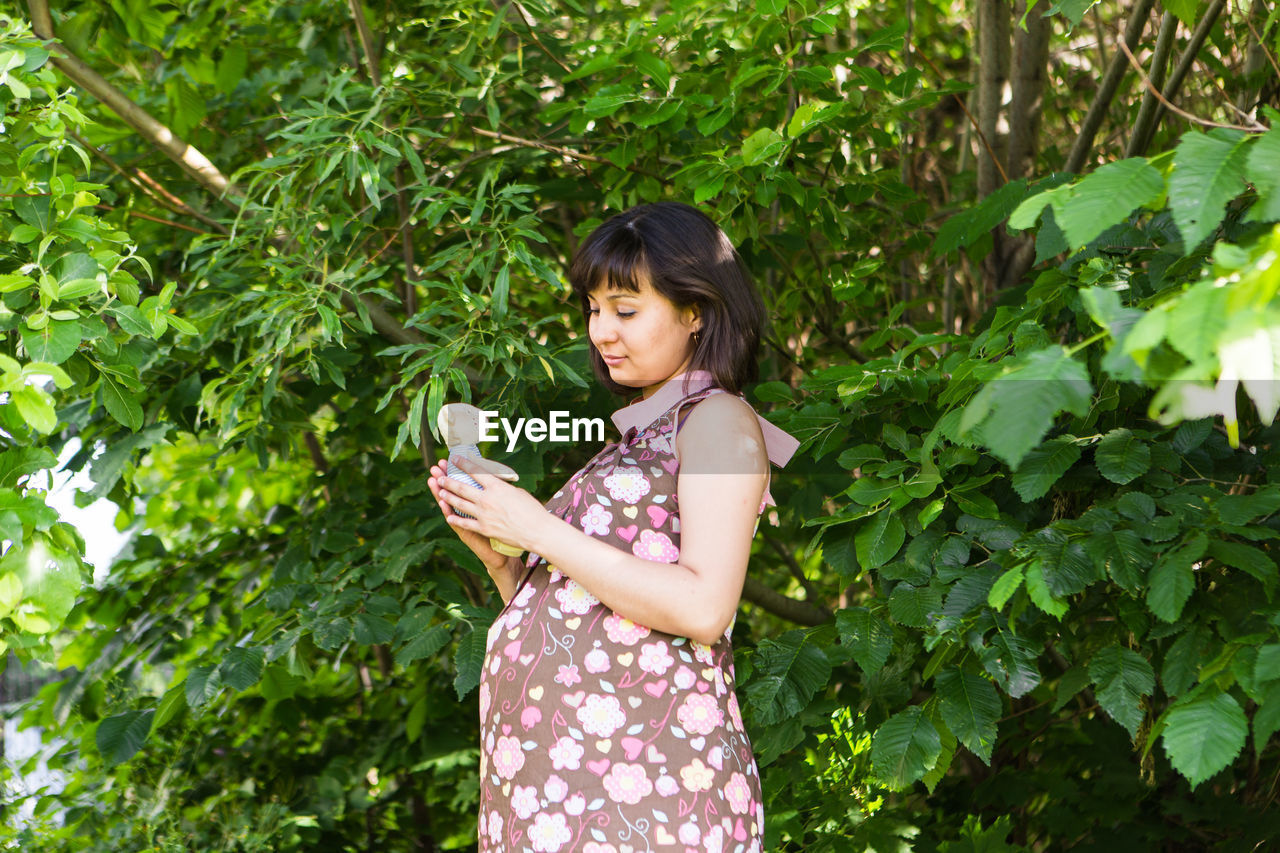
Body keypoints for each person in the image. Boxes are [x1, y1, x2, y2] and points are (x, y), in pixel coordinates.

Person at [428, 202, 798, 853]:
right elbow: (597, 603)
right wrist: (504, 562)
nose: (601, 330)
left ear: (696, 311)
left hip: (646, 797)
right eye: (594, 308)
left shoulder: (716, 420)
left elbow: (704, 605)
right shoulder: (641, 433)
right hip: (570, 798)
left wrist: (538, 527)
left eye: (625, 309)